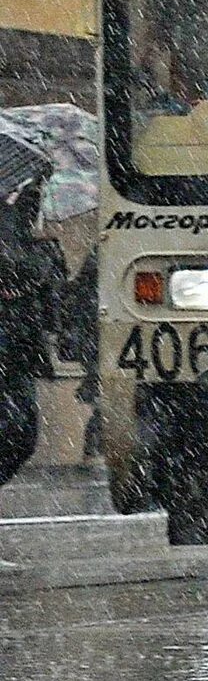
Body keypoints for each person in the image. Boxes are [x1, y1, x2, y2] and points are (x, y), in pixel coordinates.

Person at [0, 181, 59, 487]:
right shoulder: (14, 227)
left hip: (19, 350)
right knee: (19, 431)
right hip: (14, 348)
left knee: (23, 433)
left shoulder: (21, 227)